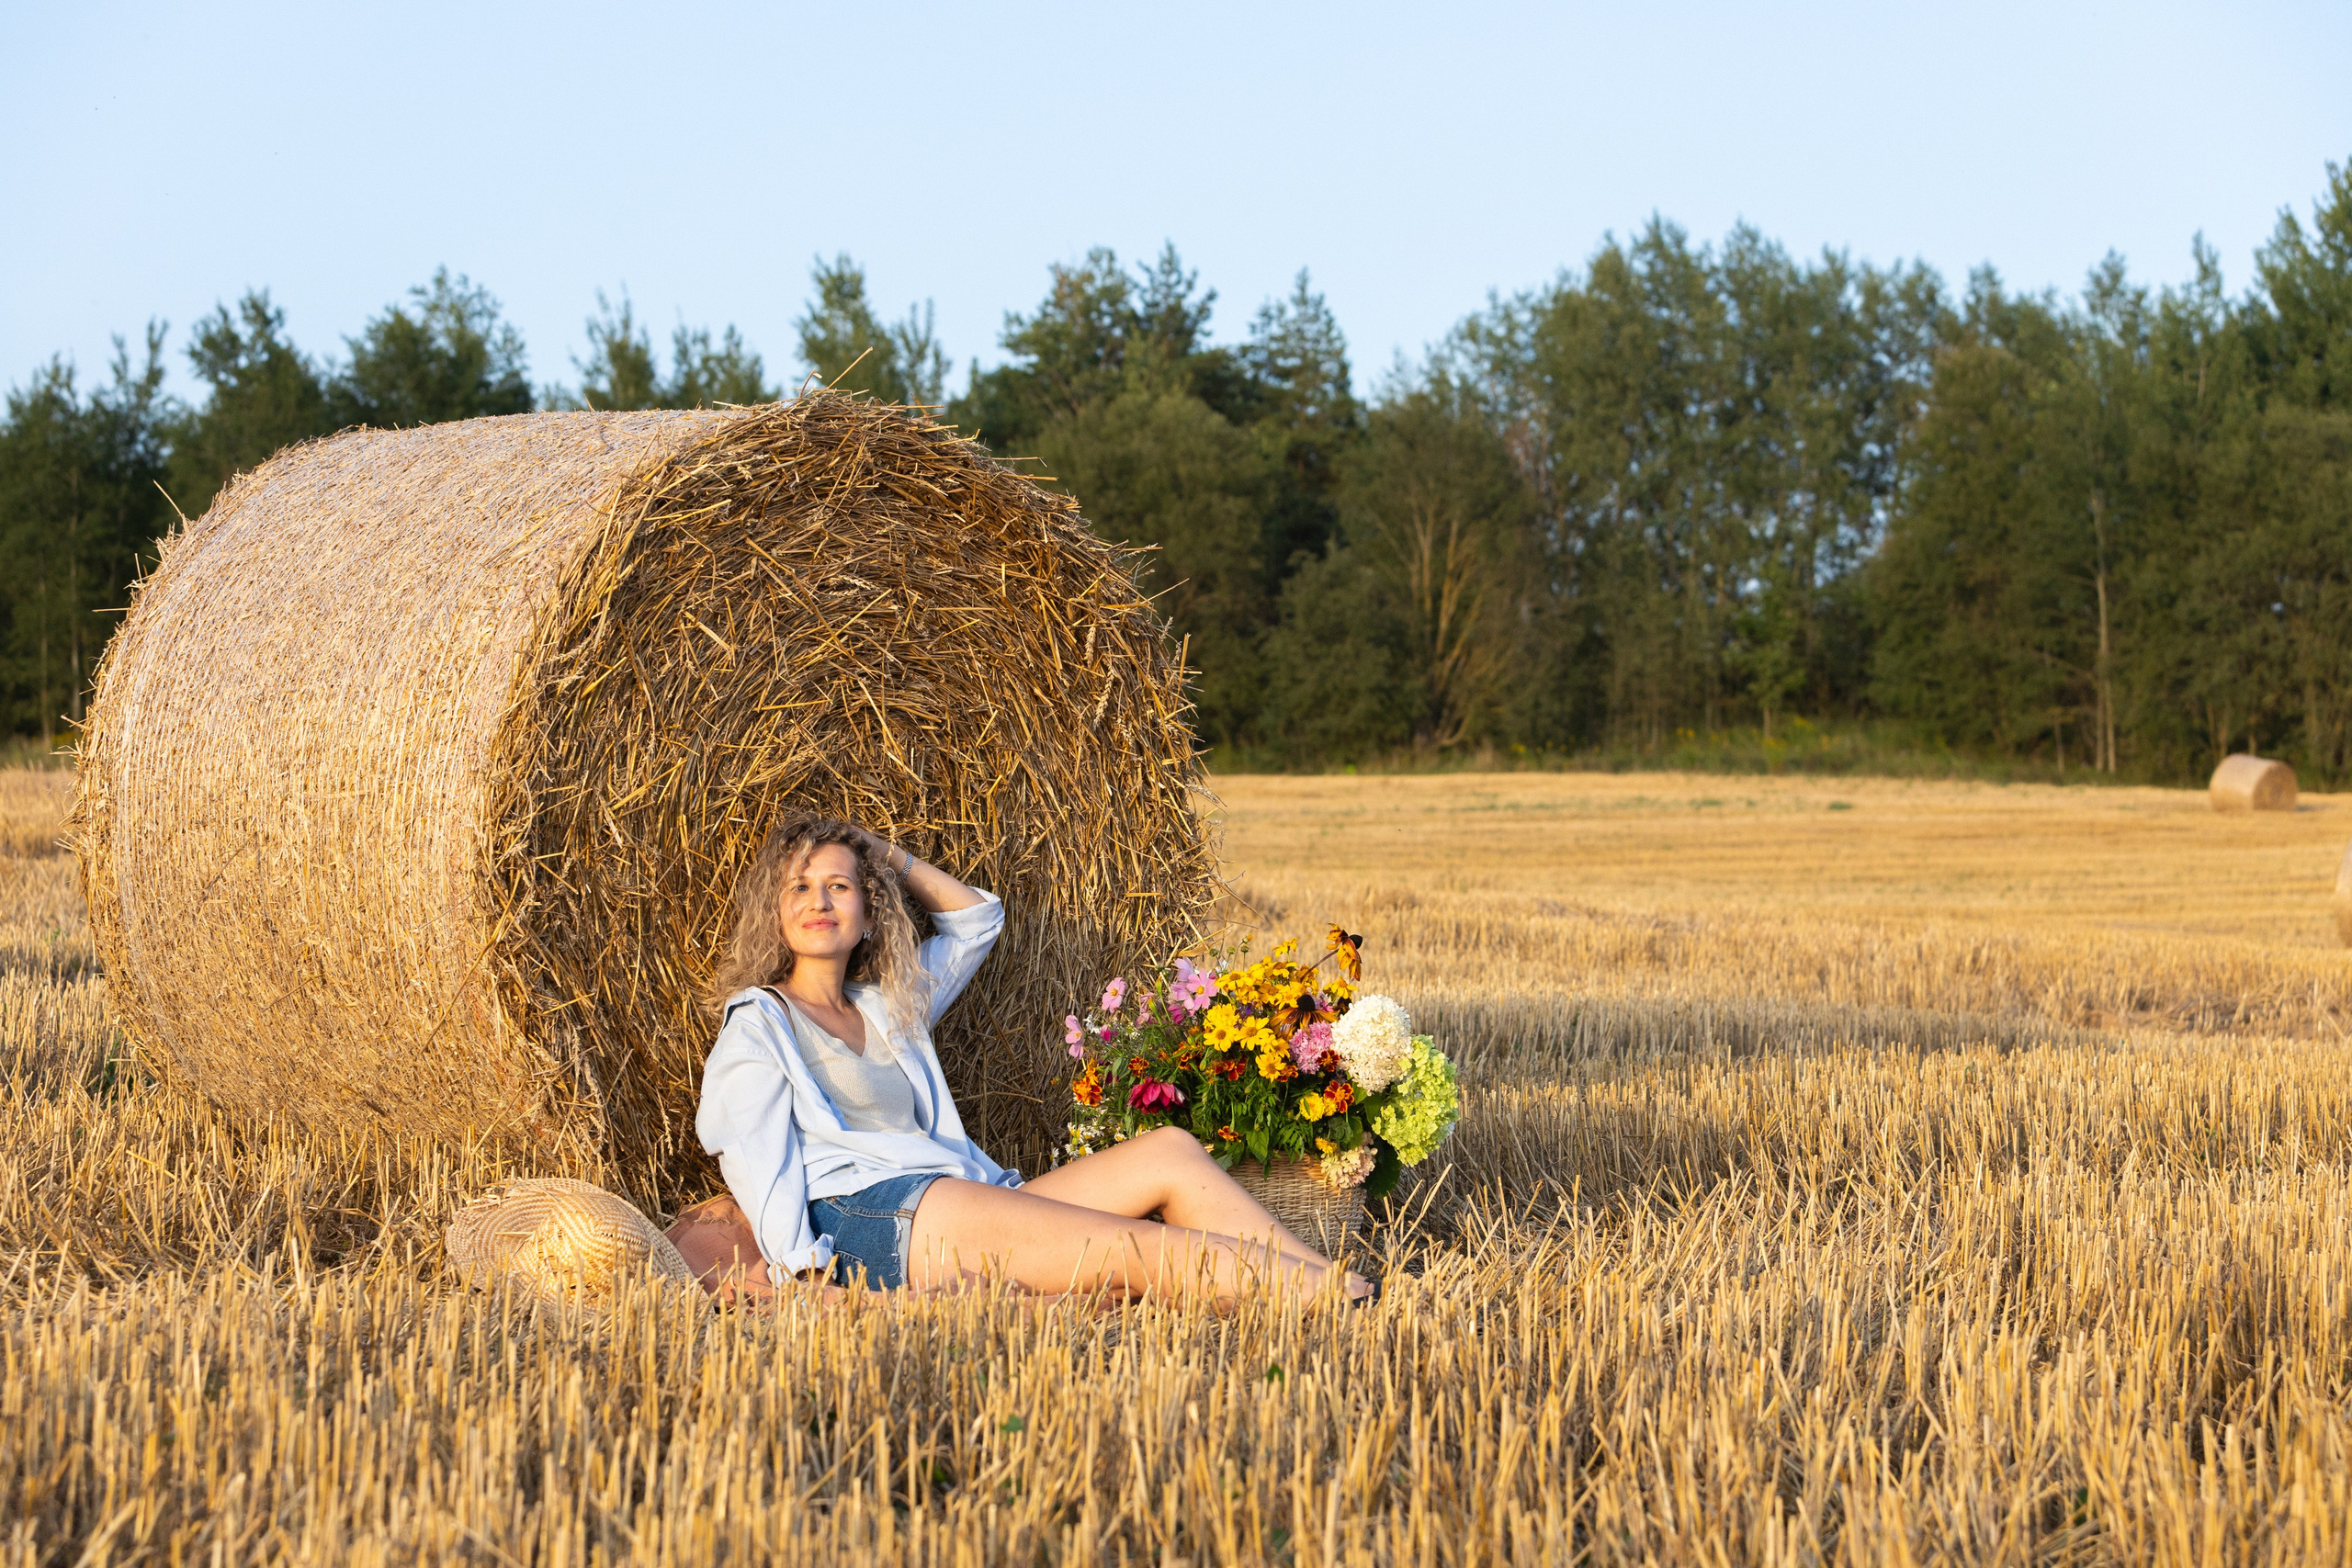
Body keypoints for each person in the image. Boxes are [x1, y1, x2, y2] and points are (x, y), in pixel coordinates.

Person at [688, 816, 1371, 1304]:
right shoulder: (760, 1022)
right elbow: (757, 1159)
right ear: (775, 914)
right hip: (874, 1218)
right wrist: (804, 1276)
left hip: (961, 1199)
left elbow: (978, 916)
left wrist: (875, 849)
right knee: (1136, 1250)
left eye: (840, 886)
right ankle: (1332, 1298)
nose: (819, 901)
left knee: (1170, 1150)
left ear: (869, 913)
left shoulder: (888, 1006)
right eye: (800, 887)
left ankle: (1336, 1287)